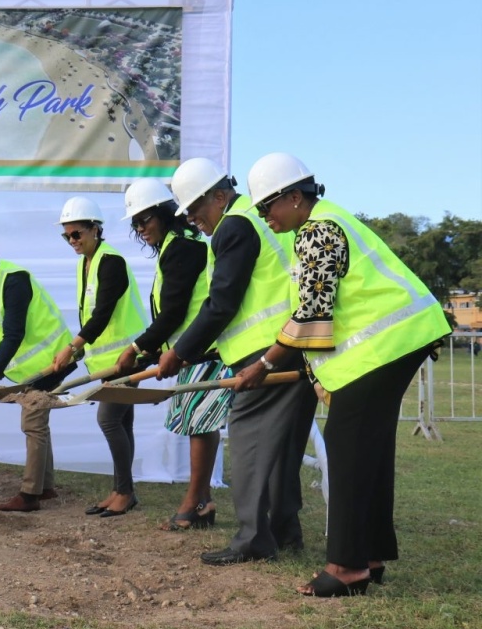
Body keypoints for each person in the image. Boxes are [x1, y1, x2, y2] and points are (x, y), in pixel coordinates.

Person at [239, 153, 450, 597]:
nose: (264, 218)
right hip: (398, 342)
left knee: (348, 445)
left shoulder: (318, 230)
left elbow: (312, 312)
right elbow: (325, 317)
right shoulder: (325, 223)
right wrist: (318, 376)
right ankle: (368, 556)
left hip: (390, 344)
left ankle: (347, 566)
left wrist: (264, 363)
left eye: (266, 208)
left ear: (295, 198)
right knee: (366, 447)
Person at [157, 158, 318, 566]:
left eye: (196, 209)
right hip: (296, 345)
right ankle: (285, 533)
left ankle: (251, 541)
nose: (194, 220)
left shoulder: (235, 224)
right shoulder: (262, 219)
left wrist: (179, 352)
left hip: (266, 354)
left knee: (247, 444)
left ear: (220, 196)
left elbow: (222, 303)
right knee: (282, 452)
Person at [113, 180, 232, 531]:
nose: (140, 228)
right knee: (200, 425)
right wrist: (150, 353)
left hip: (202, 351)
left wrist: (137, 348)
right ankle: (203, 500)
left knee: (199, 426)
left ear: (165, 213)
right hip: (188, 351)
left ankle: (195, 502)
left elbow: (175, 313)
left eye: (144, 219)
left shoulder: (183, 247)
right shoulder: (175, 245)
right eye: (135, 223)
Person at [0, 227, 74, 512]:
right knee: (38, 423)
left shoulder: (14, 280)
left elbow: (13, 336)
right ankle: (46, 488)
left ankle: (30, 494)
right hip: (36, 366)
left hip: (50, 363)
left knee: (32, 423)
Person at [49, 197, 149, 518]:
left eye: (77, 234)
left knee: (108, 420)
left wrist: (72, 347)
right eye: (66, 236)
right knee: (122, 422)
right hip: (109, 361)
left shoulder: (111, 262)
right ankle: (123, 489)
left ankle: (125, 491)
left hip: (127, 359)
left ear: (96, 229)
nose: (72, 241)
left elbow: (102, 313)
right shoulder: (86, 262)